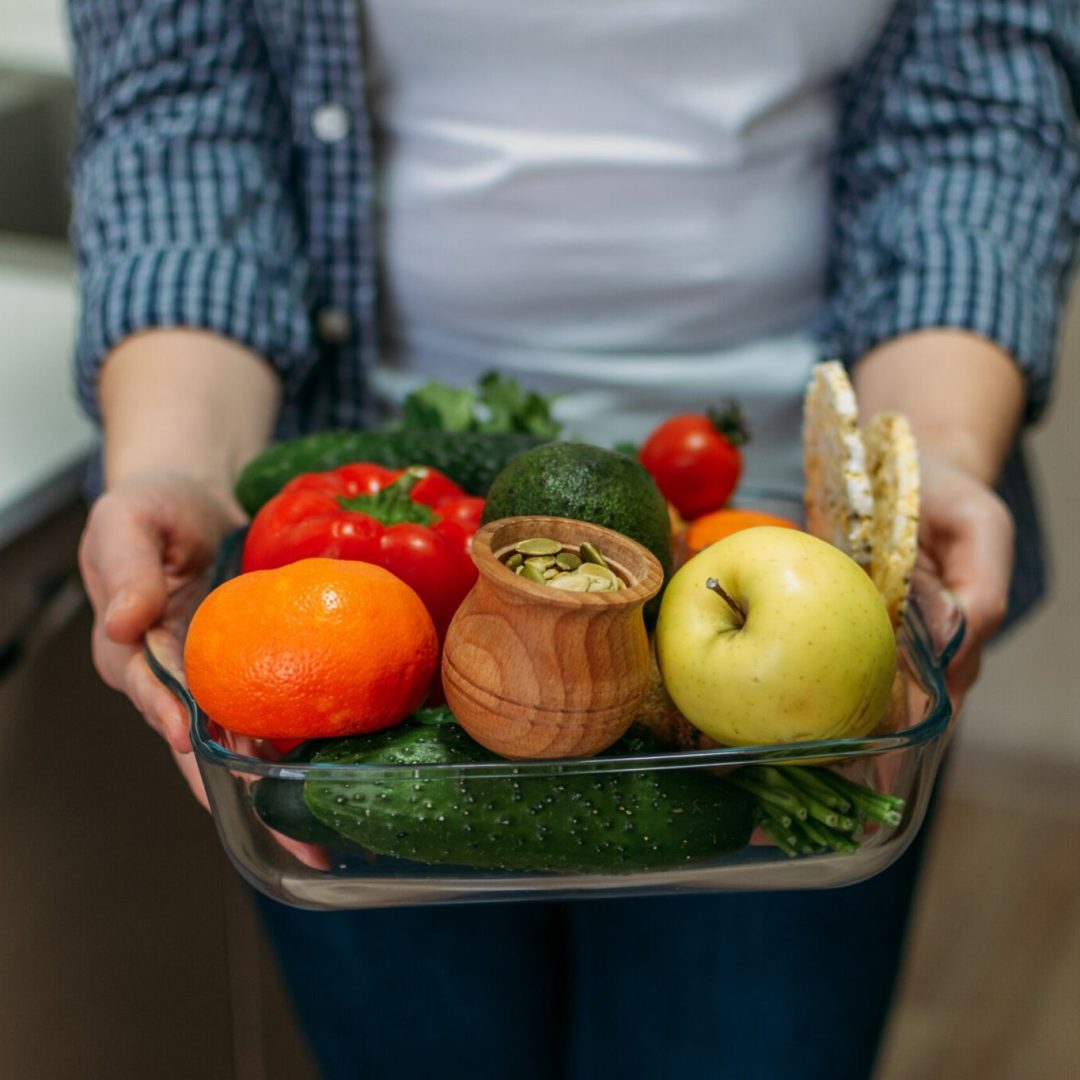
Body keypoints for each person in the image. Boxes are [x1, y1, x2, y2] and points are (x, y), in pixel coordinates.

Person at [70, 2, 1079, 1077]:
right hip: (349, 573)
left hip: (793, 528)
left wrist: (941, 447)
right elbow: (179, 116)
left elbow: (978, 118)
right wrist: (174, 459)